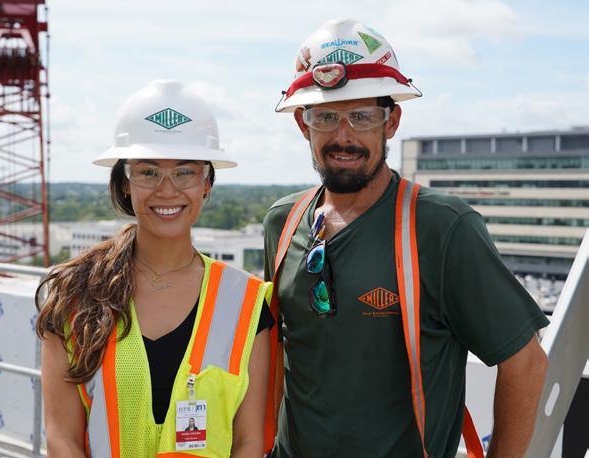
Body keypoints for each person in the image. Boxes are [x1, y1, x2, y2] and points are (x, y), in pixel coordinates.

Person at [263, 19, 549, 458]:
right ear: (304, 124)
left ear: (391, 121)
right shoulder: (282, 224)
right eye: (326, 116)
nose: (344, 136)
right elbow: (275, 354)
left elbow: (525, 362)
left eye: (362, 116)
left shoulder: (442, 227)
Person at [36, 80, 274, 458]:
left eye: (185, 172)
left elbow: (248, 443)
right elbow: (61, 438)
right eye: (148, 172)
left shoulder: (245, 303)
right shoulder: (76, 293)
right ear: (125, 184)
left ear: (207, 183)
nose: (167, 190)